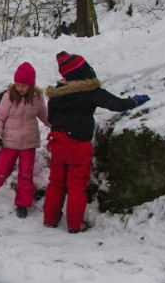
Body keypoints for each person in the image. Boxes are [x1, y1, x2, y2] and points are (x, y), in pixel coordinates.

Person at [43, 52, 150, 233]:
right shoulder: (90, 90)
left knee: (56, 182)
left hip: (58, 142)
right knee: (77, 185)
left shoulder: (57, 93)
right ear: (83, 70)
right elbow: (116, 104)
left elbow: (51, 118)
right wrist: (134, 101)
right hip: (78, 144)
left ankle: (50, 219)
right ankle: (75, 225)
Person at [0, 62, 48, 218]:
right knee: (1, 169)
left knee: (25, 174)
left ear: (31, 85)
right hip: (9, 142)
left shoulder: (37, 98)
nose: (20, 88)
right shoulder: (9, 96)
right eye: (18, 84)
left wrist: (55, 125)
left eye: (23, 85)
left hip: (28, 144)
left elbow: (44, 115)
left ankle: (23, 204)